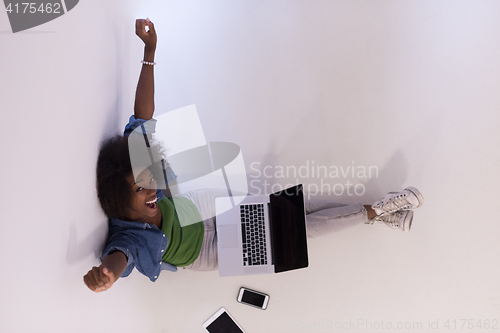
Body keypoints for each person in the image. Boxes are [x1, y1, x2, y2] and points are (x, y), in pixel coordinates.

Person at [83, 18, 424, 293]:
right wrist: (106, 277)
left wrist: (150, 50)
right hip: (206, 252)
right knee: (297, 234)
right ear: (119, 203)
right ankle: (379, 209)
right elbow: (119, 258)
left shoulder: (139, 173)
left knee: (295, 206)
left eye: (147, 181)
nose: (151, 189)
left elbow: (142, 117)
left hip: (201, 214)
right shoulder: (127, 237)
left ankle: (378, 214)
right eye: (140, 190)